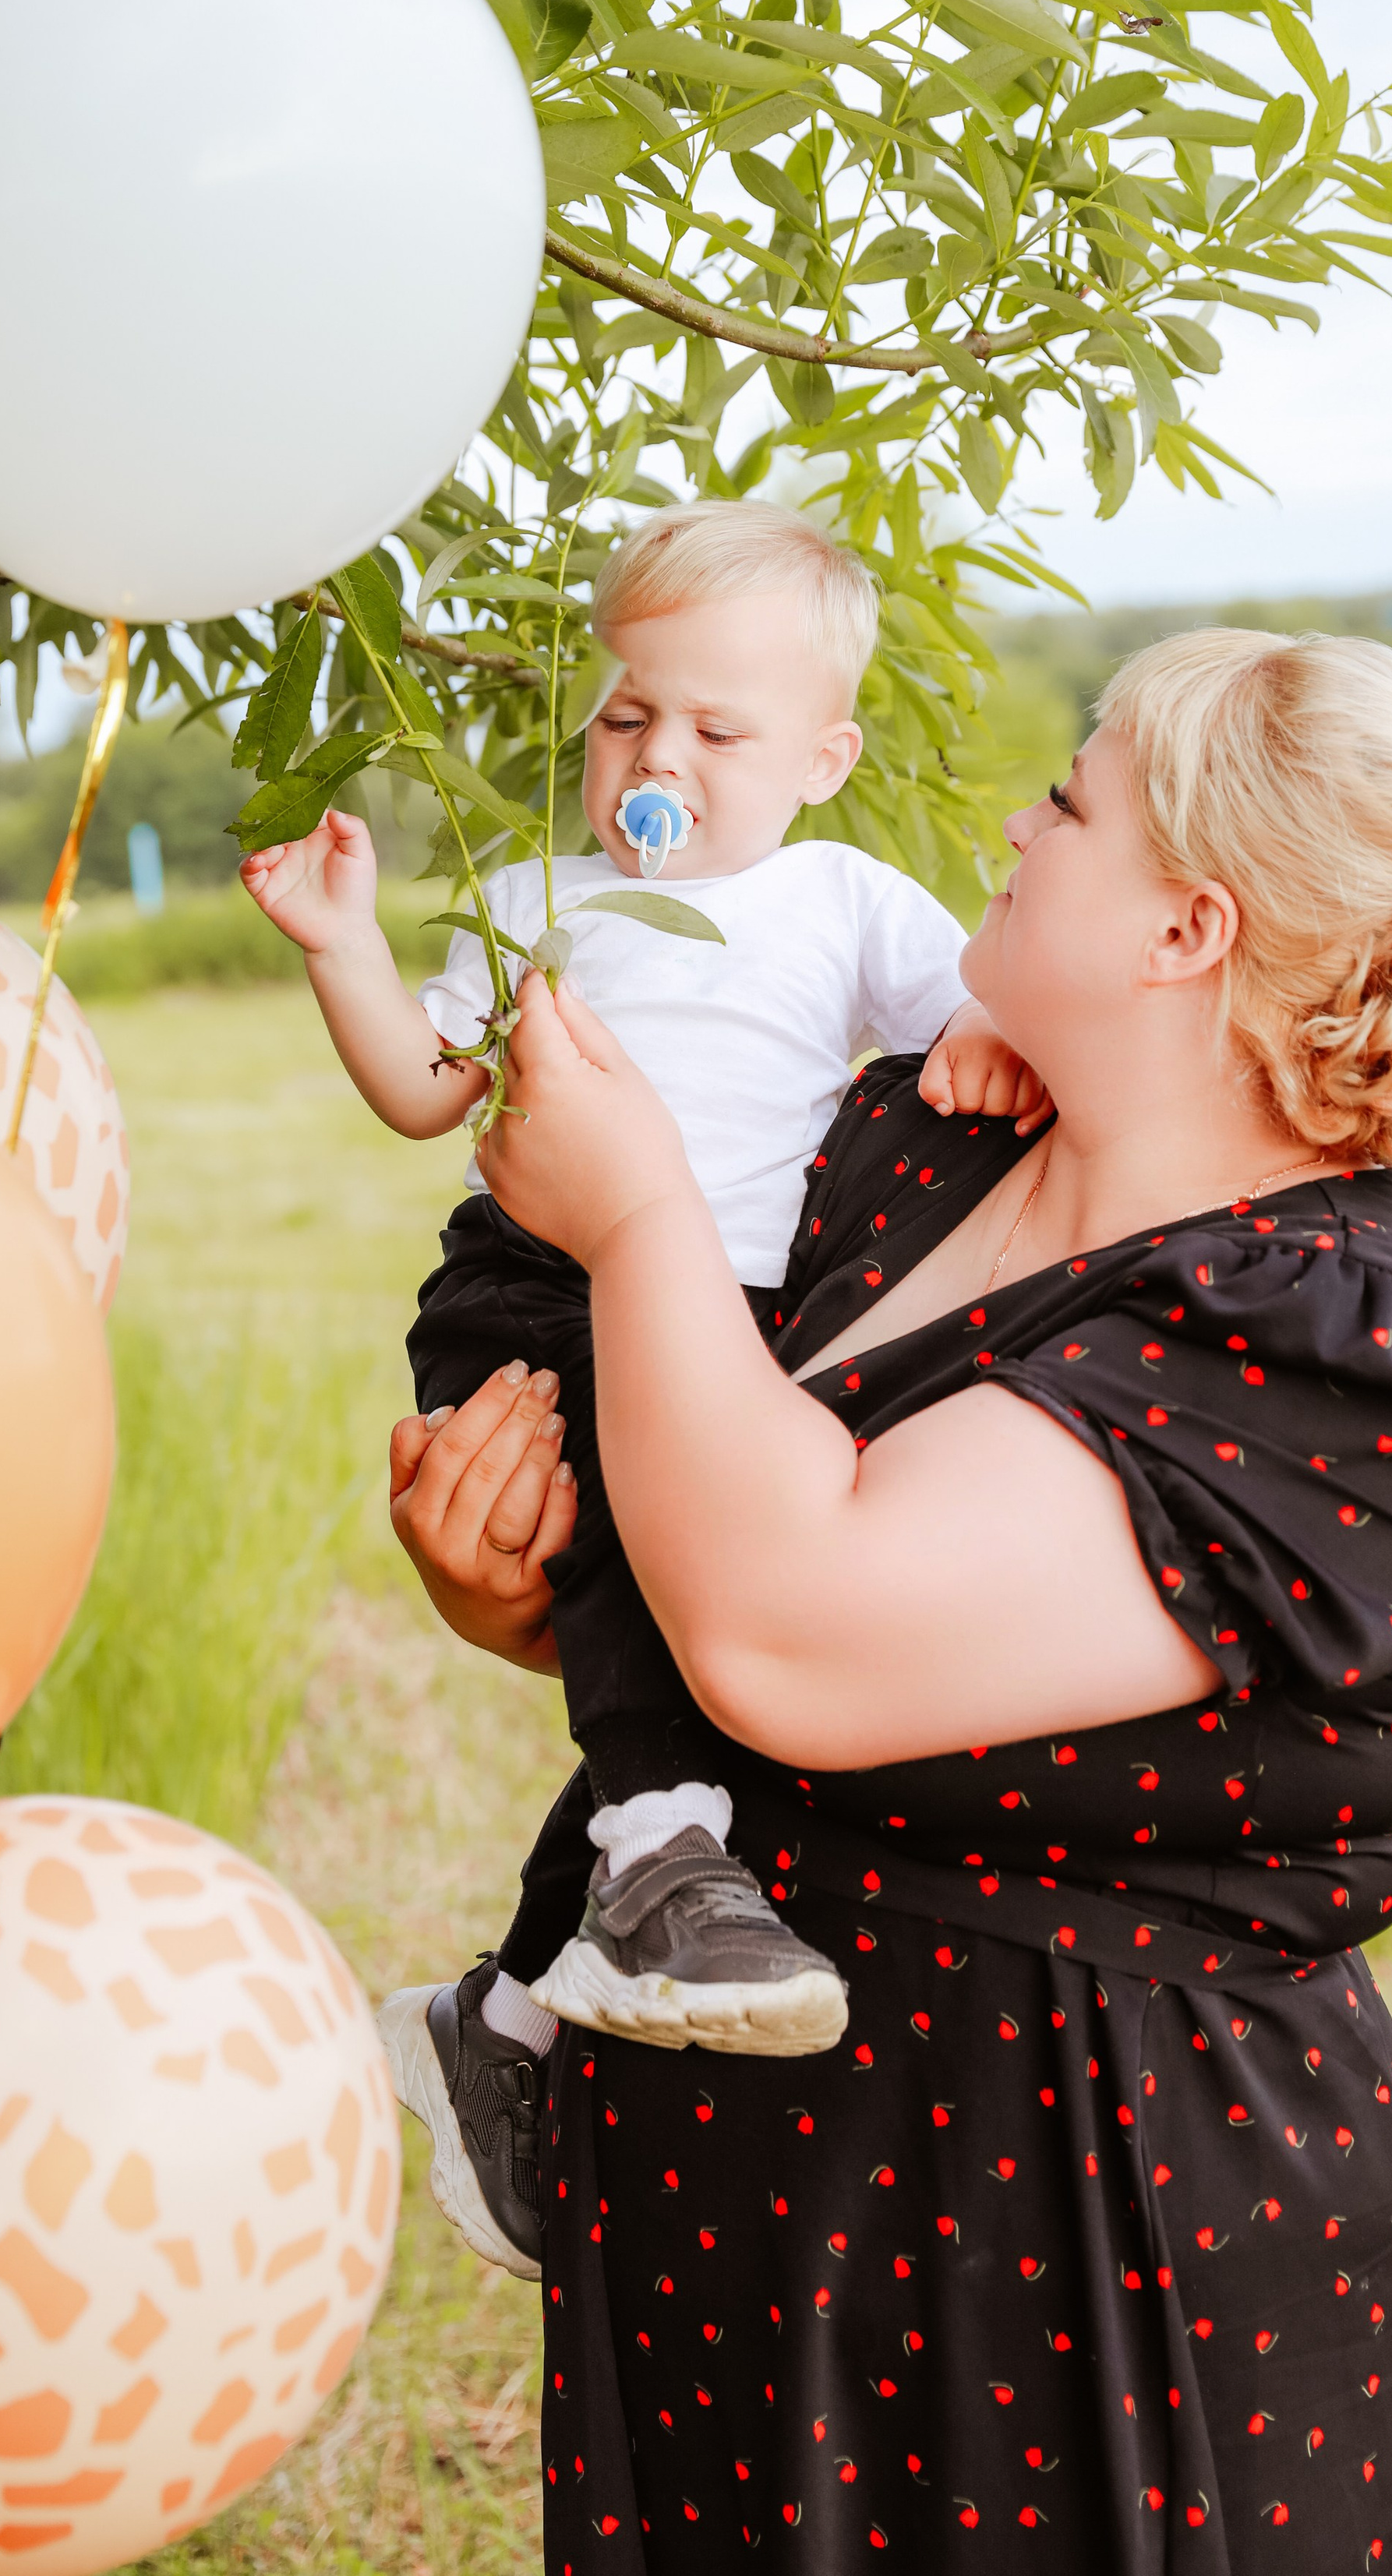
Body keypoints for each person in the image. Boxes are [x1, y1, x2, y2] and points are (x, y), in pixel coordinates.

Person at [389, 625, 1392, 2571]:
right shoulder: (909, 1147)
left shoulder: (1321, 1344)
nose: (1014, 832)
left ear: (1186, 930)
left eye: (1066, 801)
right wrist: (509, 1586)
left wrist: (632, 1216)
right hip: (739, 2205)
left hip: (1079, 2233)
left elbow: (787, 1631)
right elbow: (691, 1568)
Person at [241, 504, 1048, 2260]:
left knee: (714, 1618)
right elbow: (424, 1091)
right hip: (535, 1288)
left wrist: (988, 1036)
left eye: (715, 729)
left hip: (734, 1319)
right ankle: (662, 1850)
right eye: (625, 715)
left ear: (823, 761)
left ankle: (512, 2018)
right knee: (630, 1526)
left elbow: (975, 1010)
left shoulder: (841, 899)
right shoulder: (547, 899)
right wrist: (341, 947)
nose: (655, 760)